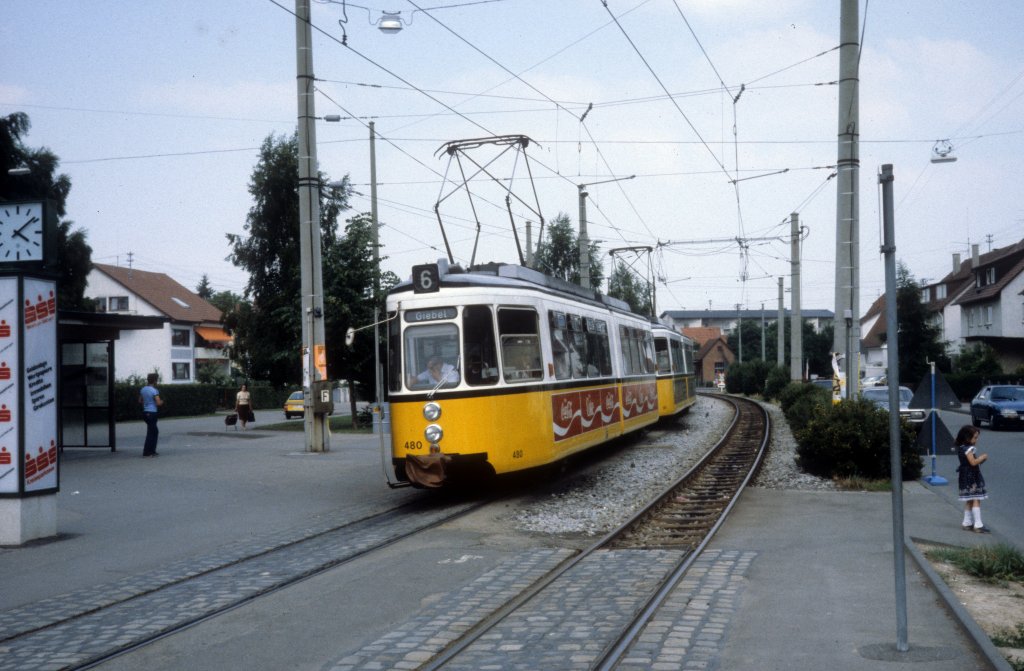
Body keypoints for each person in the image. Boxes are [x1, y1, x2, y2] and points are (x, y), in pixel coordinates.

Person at [954, 425, 990, 533]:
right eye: (975, 437)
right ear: (967, 438)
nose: (976, 440)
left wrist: (979, 460)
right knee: (976, 499)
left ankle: (967, 522)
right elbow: (973, 462)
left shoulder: (961, 448)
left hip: (964, 476)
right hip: (972, 477)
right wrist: (982, 458)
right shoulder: (969, 449)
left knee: (969, 500)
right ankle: (978, 524)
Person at [139, 373, 163, 457]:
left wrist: (146, 403)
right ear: (155, 381)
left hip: (145, 412)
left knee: (152, 431)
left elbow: (140, 401)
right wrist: (161, 402)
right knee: (152, 432)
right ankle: (147, 452)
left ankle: (152, 451)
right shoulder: (154, 391)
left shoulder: (143, 389)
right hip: (152, 412)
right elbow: (158, 402)